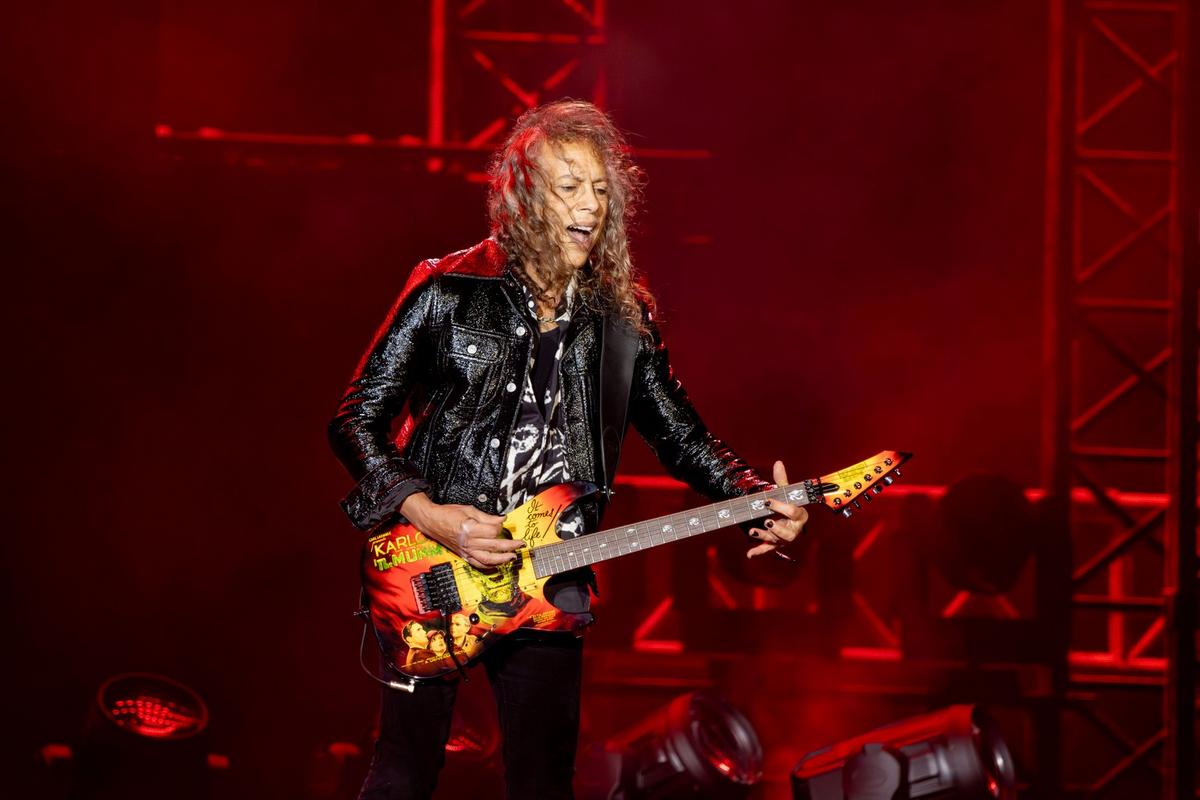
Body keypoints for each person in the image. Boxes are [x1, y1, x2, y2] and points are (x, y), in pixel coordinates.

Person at [328, 99, 808, 800]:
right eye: (570, 187)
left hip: (551, 577)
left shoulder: (622, 320)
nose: (590, 205)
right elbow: (355, 419)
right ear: (525, 197)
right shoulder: (446, 289)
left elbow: (681, 437)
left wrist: (758, 498)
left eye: (601, 190)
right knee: (405, 771)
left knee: (545, 783)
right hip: (432, 570)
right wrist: (431, 514)